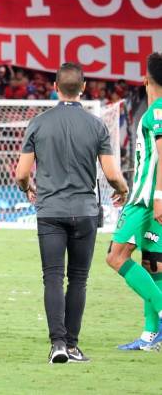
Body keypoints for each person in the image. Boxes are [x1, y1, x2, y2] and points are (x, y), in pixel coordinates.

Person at [16, 62, 129, 363]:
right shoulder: (96, 126)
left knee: (52, 277)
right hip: (84, 210)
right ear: (83, 88)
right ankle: (74, 344)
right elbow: (111, 173)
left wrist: (27, 187)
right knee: (78, 279)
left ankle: (57, 345)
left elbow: (21, 173)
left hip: (50, 210)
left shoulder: (38, 123)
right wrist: (123, 189)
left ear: (54, 88)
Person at [104, 53, 162, 352]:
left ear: (146, 79)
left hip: (148, 201)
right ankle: (151, 334)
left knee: (116, 256)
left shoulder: (158, 111)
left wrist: (157, 196)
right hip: (146, 195)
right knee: (155, 266)